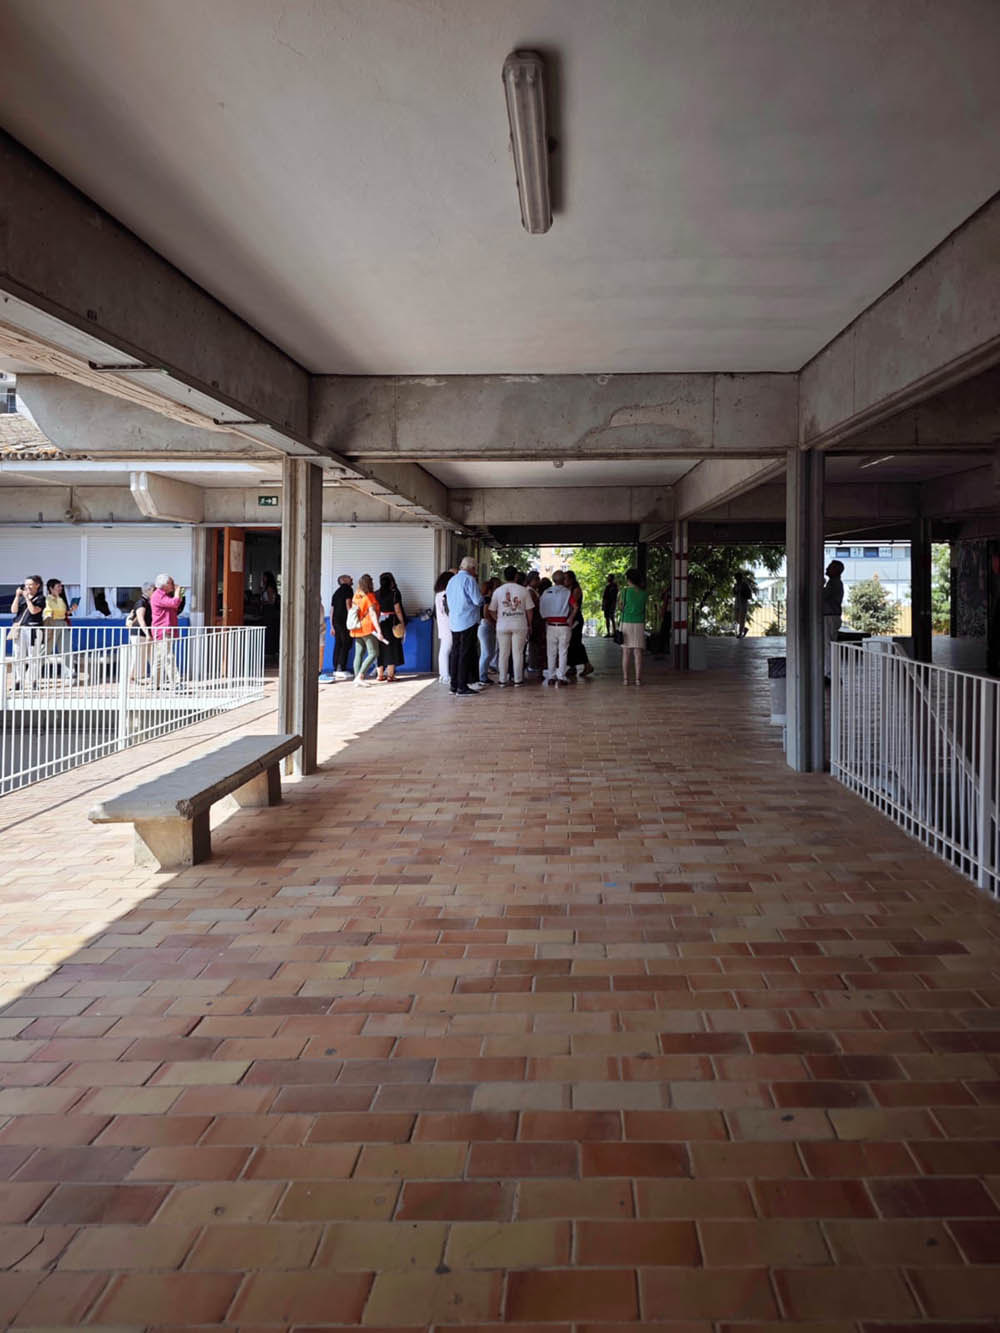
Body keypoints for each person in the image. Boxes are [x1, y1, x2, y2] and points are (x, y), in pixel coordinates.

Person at [445, 556, 483, 697]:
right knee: (465, 654)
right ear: (472, 568)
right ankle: (462, 686)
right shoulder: (469, 580)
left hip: (454, 621)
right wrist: (483, 599)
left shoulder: (452, 580)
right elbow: (477, 600)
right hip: (468, 621)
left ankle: (453, 685)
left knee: (455, 653)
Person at [490, 565, 532, 687]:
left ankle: (502, 680)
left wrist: (498, 619)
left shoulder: (498, 591)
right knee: (518, 653)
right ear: (516, 576)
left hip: (502, 625)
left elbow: (491, 609)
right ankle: (518, 680)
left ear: (504, 576)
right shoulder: (523, 590)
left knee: (503, 653)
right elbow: (530, 610)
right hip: (519, 624)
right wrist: (529, 624)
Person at [539, 570, 574, 687]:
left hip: (550, 625)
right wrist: (571, 617)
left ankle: (551, 676)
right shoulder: (567, 592)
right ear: (564, 580)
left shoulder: (546, 592)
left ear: (553, 580)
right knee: (563, 651)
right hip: (564, 625)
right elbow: (575, 606)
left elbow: (541, 608)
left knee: (551, 652)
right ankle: (561, 677)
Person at [150, 573, 185, 688]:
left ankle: (154, 683)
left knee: (159, 658)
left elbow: (176, 606)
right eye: (171, 583)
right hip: (162, 630)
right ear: (165, 584)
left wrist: (179, 594)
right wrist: (177, 592)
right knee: (168, 656)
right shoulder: (158, 596)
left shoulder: (163, 595)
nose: (173, 585)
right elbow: (174, 603)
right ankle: (176, 683)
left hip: (164, 630)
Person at [10, 574, 45, 690]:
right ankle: (18, 680)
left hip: (33, 629)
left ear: (37, 585)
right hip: (20, 629)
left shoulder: (41, 598)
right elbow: (13, 610)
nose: (27, 587)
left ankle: (34, 681)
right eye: (26, 585)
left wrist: (27, 598)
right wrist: (17, 596)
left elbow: (33, 611)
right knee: (18, 655)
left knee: (33, 656)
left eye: (30, 584)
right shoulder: (21, 598)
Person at [349, 573, 384, 686]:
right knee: (374, 653)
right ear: (370, 584)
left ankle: (356, 679)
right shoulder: (369, 597)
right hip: (368, 628)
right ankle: (360, 676)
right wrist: (379, 631)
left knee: (358, 654)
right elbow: (372, 614)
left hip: (357, 627)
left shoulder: (356, 595)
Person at [619, 568, 648, 686]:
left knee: (626, 652)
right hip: (639, 623)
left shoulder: (624, 591)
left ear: (629, 579)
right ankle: (638, 680)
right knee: (638, 652)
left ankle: (626, 679)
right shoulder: (644, 593)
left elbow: (621, 607)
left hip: (626, 622)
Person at [375, 572, 406, 682]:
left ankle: (379, 675)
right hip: (391, 623)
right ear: (390, 582)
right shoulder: (394, 594)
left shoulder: (375, 594)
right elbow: (398, 610)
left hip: (378, 623)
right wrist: (402, 623)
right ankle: (390, 675)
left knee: (379, 648)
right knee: (391, 648)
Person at [565, 569, 593, 679]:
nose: (564, 581)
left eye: (566, 579)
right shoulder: (567, 589)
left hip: (575, 619)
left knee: (576, 642)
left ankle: (586, 664)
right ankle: (572, 666)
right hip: (569, 618)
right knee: (571, 643)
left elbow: (572, 604)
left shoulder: (576, 590)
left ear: (571, 579)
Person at [43, 577, 72, 678]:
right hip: (52, 624)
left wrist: (70, 610)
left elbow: (63, 613)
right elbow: (48, 613)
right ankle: (32, 674)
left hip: (63, 624)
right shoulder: (47, 599)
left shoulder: (60, 599)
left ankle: (69, 674)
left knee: (66, 649)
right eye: (58, 586)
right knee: (46, 650)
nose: (61, 588)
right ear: (51, 588)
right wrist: (49, 627)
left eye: (61, 586)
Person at [127, 582, 154, 683]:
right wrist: (147, 633)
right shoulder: (141, 602)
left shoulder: (146, 602)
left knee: (148, 655)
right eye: (154, 590)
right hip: (138, 633)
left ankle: (150, 676)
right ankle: (131, 677)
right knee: (137, 655)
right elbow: (141, 619)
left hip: (144, 633)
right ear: (149, 590)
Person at [823, 558, 845, 679]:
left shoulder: (833, 583)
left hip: (830, 616)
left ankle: (830, 673)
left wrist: (819, 584)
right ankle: (828, 671)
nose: (827, 569)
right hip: (831, 615)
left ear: (836, 570)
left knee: (828, 645)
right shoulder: (834, 583)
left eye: (830, 567)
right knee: (828, 644)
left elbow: (822, 596)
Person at [329, 574, 354, 680]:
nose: (351, 578)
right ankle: (341, 668)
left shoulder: (336, 593)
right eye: (348, 577)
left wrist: (332, 626)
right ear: (343, 580)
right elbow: (348, 604)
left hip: (336, 622)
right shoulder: (348, 589)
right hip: (344, 621)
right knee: (346, 643)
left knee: (338, 644)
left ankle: (336, 668)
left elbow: (332, 610)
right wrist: (352, 620)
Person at [477, 577, 499, 686]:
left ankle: (484, 675)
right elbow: (486, 614)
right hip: (486, 626)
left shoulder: (482, 599)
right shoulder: (487, 599)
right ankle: (481, 676)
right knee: (486, 653)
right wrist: (494, 623)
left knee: (488, 652)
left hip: (484, 626)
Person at [434, 570, 453, 685]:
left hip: (442, 624)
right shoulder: (446, 594)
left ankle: (443, 675)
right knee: (446, 650)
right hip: (448, 624)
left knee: (444, 650)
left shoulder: (438, 594)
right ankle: (445, 676)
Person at [260, 570, 280, 660]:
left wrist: (263, 602)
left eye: (264, 577)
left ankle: (270, 650)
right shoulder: (266, 587)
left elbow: (271, 601)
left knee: (269, 630)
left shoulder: (269, 587)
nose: (263, 579)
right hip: (267, 611)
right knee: (269, 630)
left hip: (270, 611)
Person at [733, 571, 753, 638]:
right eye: (736, 578)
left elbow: (749, 594)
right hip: (737, 603)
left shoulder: (745, 585)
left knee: (742, 618)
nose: (736, 579)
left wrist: (743, 594)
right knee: (736, 618)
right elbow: (734, 592)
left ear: (740, 577)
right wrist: (735, 591)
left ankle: (740, 633)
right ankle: (744, 629)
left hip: (743, 603)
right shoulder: (736, 585)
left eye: (737, 578)